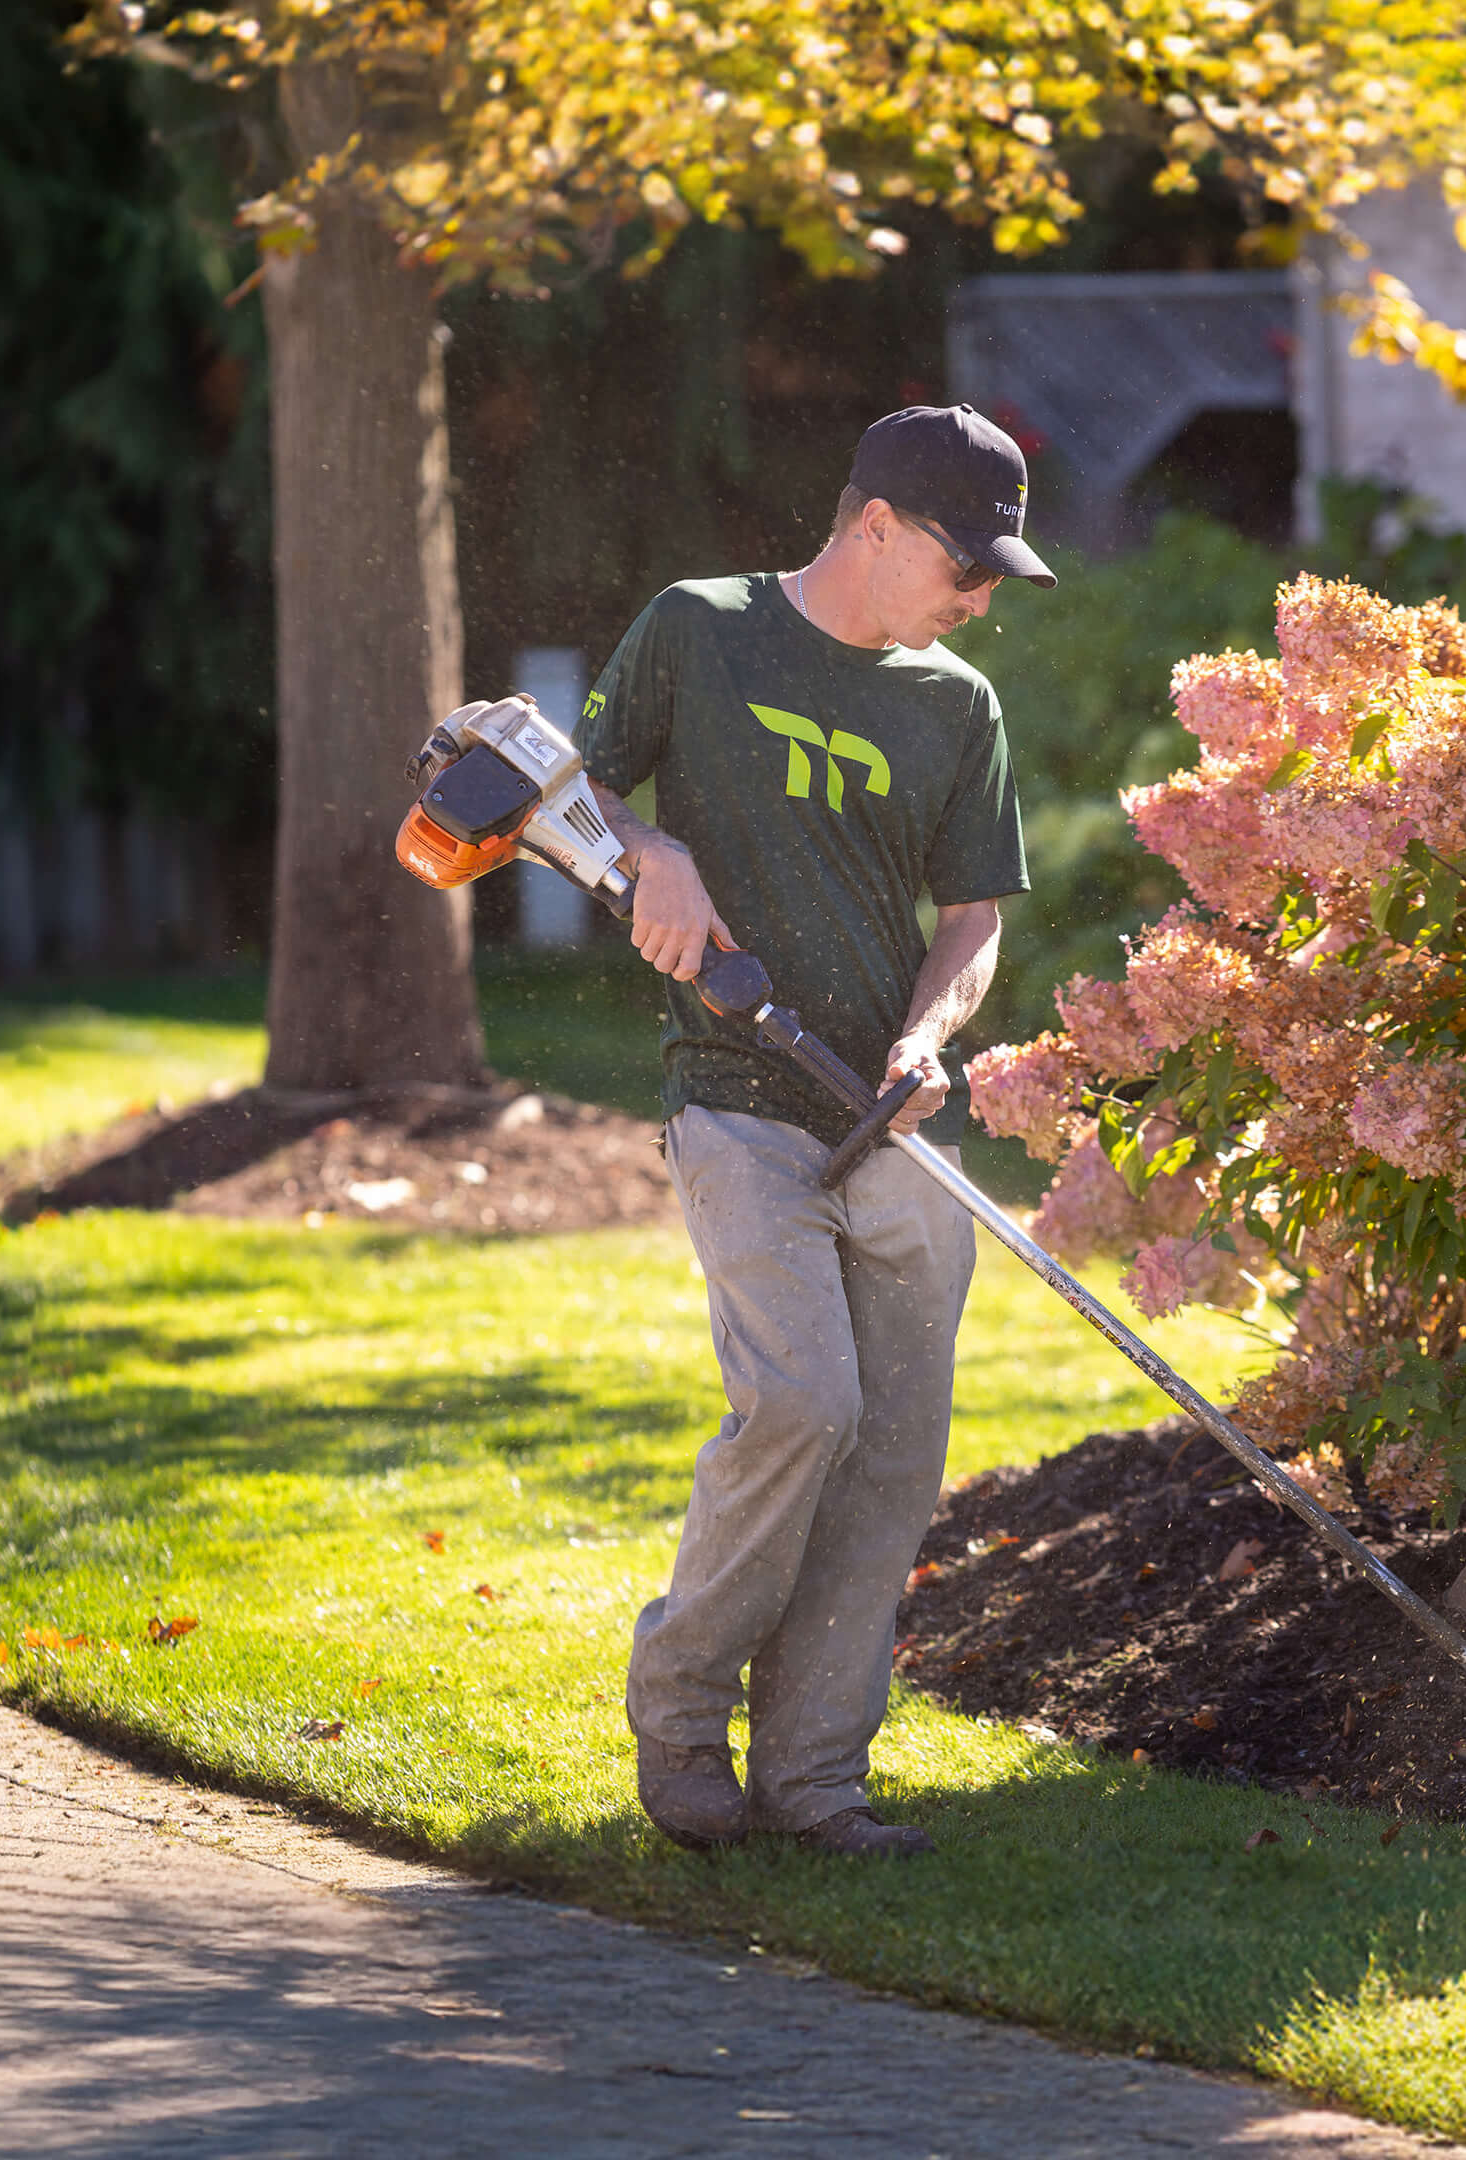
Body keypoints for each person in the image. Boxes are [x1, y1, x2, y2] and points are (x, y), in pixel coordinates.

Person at [573, 405, 1050, 1859]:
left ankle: (815, 1784)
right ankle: (678, 1708)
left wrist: (929, 1036)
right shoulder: (698, 629)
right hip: (740, 1092)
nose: (978, 600)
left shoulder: (955, 703)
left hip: (890, 1114)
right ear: (878, 526)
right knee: (803, 1407)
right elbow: (573, 789)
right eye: (965, 568)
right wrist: (651, 848)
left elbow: (971, 921)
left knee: (898, 1455)